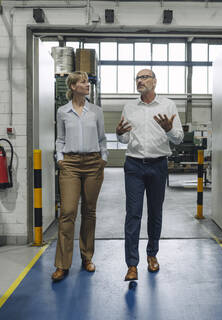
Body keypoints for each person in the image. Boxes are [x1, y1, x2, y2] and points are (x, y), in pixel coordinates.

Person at [116, 69, 183, 281]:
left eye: (144, 77)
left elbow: (178, 138)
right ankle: (132, 264)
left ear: (155, 82)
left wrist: (169, 129)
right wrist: (119, 134)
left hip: (158, 165)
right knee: (133, 214)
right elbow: (125, 140)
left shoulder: (168, 105)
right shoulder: (129, 107)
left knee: (155, 213)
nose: (140, 80)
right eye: (137, 78)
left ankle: (152, 255)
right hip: (134, 165)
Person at [52, 71, 108, 282]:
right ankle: (62, 264)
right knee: (67, 212)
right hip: (71, 164)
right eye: (83, 82)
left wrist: (103, 158)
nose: (87, 85)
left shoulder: (96, 111)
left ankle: (87, 257)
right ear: (73, 86)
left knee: (89, 212)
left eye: (88, 82)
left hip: (94, 163)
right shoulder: (62, 111)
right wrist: (60, 159)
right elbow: (60, 138)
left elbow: (102, 138)